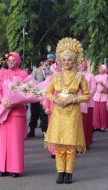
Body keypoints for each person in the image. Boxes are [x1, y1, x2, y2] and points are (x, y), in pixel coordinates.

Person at [45, 37, 90, 184]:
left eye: (69, 60)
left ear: (75, 60)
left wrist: (73, 99)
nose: (66, 62)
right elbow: (48, 93)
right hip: (58, 112)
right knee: (59, 144)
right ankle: (60, 172)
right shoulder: (55, 76)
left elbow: (87, 95)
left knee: (70, 144)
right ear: (60, 60)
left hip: (72, 113)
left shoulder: (80, 76)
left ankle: (68, 172)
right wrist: (55, 100)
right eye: (64, 60)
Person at [0, 52, 28, 178]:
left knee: (15, 141)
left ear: (19, 61)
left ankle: (15, 168)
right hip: (3, 110)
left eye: (14, 60)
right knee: (2, 141)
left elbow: (27, 93)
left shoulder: (24, 74)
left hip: (17, 112)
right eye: (9, 60)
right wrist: (2, 100)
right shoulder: (1, 73)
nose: (11, 62)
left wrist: (15, 103)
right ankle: (2, 167)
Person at [28, 55, 54, 137]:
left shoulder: (50, 71)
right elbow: (31, 80)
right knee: (34, 113)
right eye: (45, 62)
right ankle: (32, 130)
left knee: (44, 114)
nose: (47, 64)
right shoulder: (36, 71)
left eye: (48, 62)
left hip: (45, 96)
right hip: (36, 94)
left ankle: (45, 131)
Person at [79, 59, 96, 148]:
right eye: (81, 63)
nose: (83, 65)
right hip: (78, 102)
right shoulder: (77, 75)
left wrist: (86, 97)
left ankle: (87, 141)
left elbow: (93, 89)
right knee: (80, 124)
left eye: (84, 64)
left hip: (88, 102)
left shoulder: (91, 76)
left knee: (87, 123)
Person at [93, 64, 108, 132]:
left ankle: (103, 126)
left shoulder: (107, 77)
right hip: (96, 96)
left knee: (103, 112)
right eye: (99, 68)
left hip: (104, 98)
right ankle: (96, 126)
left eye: (101, 68)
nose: (100, 69)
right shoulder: (96, 76)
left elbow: (107, 88)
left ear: (105, 69)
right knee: (96, 112)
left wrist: (103, 85)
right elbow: (93, 86)